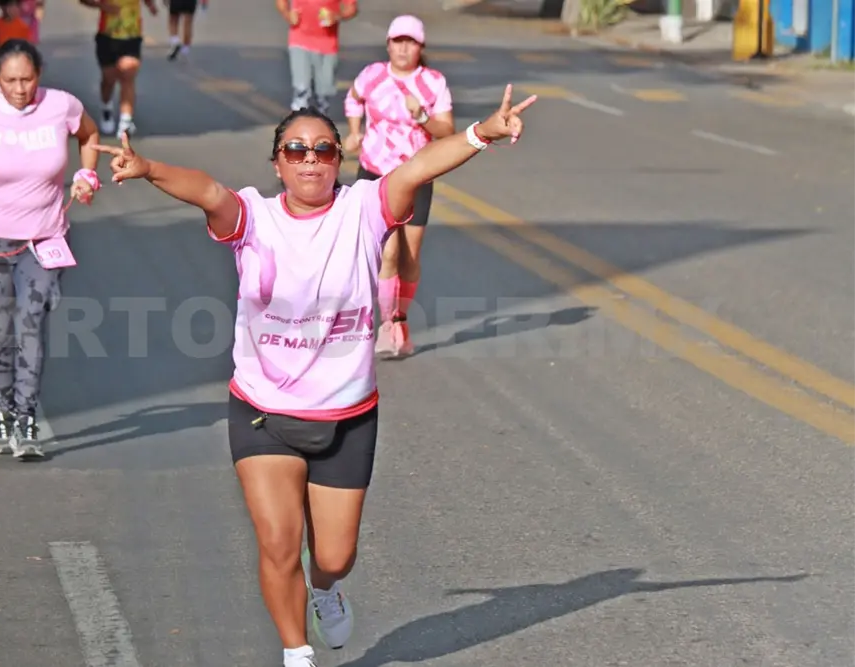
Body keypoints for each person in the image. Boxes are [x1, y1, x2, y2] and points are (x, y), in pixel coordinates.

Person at [90, 86, 536, 666]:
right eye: (295, 150)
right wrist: (149, 168)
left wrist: (482, 133)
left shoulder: (365, 208)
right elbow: (207, 191)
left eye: (323, 150)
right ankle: (296, 653)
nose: (310, 160)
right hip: (264, 412)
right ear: (277, 162)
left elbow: (419, 167)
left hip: (347, 415)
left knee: (334, 556)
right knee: (278, 544)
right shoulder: (253, 217)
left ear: (338, 160)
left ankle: (324, 589)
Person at [0, 39, 102, 459]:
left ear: (38, 75)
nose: (20, 89)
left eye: (27, 79)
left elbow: (89, 134)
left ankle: (26, 419)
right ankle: (4, 411)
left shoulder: (61, 105)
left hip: (43, 239)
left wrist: (87, 176)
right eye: (10, 80)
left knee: (30, 324)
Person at [344, 15, 455, 359]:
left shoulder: (433, 83)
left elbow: (447, 132)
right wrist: (354, 132)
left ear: (421, 47)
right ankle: (385, 322)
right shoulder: (373, 75)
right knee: (386, 252)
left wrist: (422, 117)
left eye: (410, 42)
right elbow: (353, 98)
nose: (403, 48)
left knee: (409, 256)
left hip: (417, 175)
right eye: (397, 41)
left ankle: (400, 319)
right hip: (376, 173)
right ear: (388, 44)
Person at [80, 0, 157, 137]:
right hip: (107, 36)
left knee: (128, 71)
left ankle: (125, 121)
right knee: (108, 79)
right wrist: (102, 5)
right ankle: (106, 107)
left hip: (132, 36)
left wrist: (150, 5)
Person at [275, 0, 356, 114]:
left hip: (327, 44)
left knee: (323, 94)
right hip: (299, 40)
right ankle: (299, 118)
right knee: (301, 89)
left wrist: (336, 16)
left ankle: (320, 119)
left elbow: (351, 8)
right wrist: (287, 14)